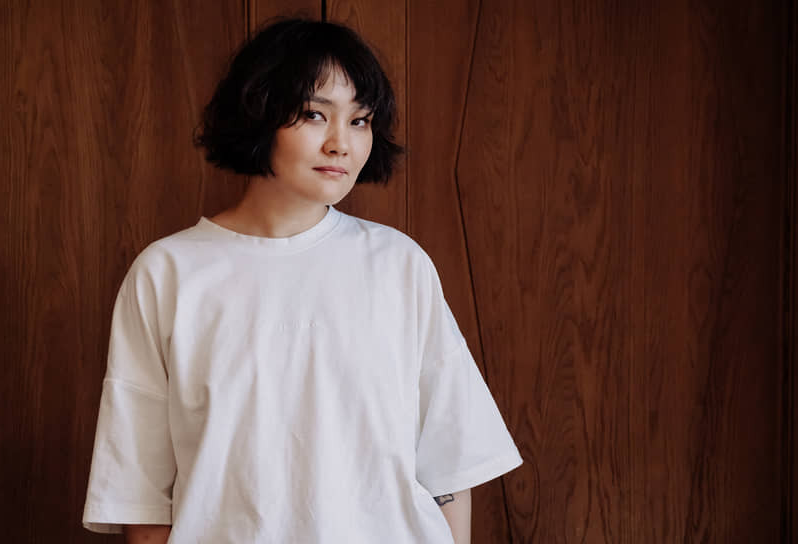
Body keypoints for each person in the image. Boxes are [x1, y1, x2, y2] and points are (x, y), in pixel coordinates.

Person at [81, 16, 522, 544]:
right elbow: (140, 488)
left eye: (360, 120)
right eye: (315, 114)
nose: (341, 144)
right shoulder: (168, 273)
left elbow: (450, 462)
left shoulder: (399, 265)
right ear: (258, 111)